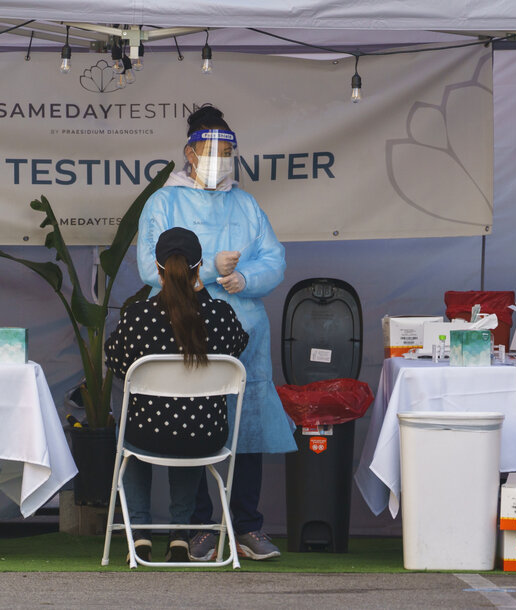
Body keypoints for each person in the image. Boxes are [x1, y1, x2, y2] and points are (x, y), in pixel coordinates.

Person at [136, 105, 295, 561]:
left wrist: (244, 279)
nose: (219, 159)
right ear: (189, 152)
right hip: (186, 329)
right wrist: (205, 272)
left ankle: (246, 525)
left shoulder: (245, 204)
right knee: (196, 425)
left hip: (246, 334)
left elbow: (274, 259)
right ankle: (203, 527)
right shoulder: (164, 203)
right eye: (211, 151)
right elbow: (151, 267)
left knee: (247, 427)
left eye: (227, 151)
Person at [105, 227, 248, 563]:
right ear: (199, 270)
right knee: (189, 416)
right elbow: (239, 346)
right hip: (206, 437)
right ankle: (180, 536)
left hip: (146, 435)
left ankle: (138, 536)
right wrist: (204, 298)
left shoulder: (138, 317)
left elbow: (115, 360)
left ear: (158, 271)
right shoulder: (220, 316)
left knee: (130, 411)